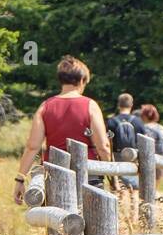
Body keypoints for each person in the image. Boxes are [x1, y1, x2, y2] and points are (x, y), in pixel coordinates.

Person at [13, 55, 112, 204]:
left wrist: (20, 179)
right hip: (88, 174)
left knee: (57, 223)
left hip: (54, 174)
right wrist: (110, 172)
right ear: (82, 80)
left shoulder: (45, 106)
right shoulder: (90, 105)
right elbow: (103, 146)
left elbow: (32, 146)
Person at [106, 93, 149, 223]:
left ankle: (121, 219)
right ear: (131, 105)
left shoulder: (112, 121)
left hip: (117, 157)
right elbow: (145, 141)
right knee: (134, 191)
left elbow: (107, 141)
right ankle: (134, 219)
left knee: (119, 189)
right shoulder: (137, 121)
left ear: (119, 105)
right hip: (133, 158)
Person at [140, 104, 163, 182]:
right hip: (160, 159)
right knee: (155, 184)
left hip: (144, 160)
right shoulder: (161, 128)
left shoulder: (142, 128)